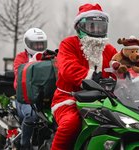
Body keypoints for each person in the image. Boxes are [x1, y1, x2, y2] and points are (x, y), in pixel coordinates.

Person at [50, 3, 118, 150]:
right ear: (80, 27)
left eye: (100, 26)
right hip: (69, 99)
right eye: (91, 26)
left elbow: (122, 68)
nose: (96, 30)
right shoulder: (69, 44)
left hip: (103, 102)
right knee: (70, 124)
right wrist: (92, 77)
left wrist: (137, 81)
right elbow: (68, 68)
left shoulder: (109, 49)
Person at [13, 28, 48, 150]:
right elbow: (20, 79)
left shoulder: (48, 57)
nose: (38, 46)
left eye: (41, 44)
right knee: (32, 115)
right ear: (27, 43)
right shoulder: (21, 58)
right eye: (35, 44)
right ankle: (24, 144)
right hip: (25, 98)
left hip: (44, 98)